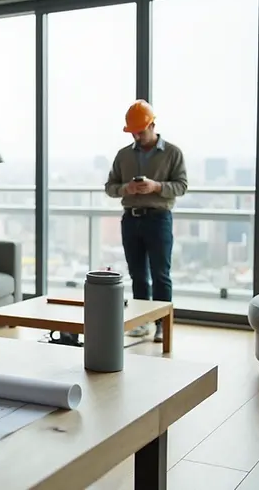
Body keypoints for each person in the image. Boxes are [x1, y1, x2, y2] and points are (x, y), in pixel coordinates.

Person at [104, 100, 188, 343]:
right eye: (133, 133)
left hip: (158, 219)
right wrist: (126, 188)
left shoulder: (173, 153)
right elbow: (110, 188)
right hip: (131, 220)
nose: (137, 137)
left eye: (140, 132)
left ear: (152, 125)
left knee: (161, 275)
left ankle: (163, 325)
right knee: (138, 275)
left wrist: (156, 186)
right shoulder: (123, 156)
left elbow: (181, 186)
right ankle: (142, 322)